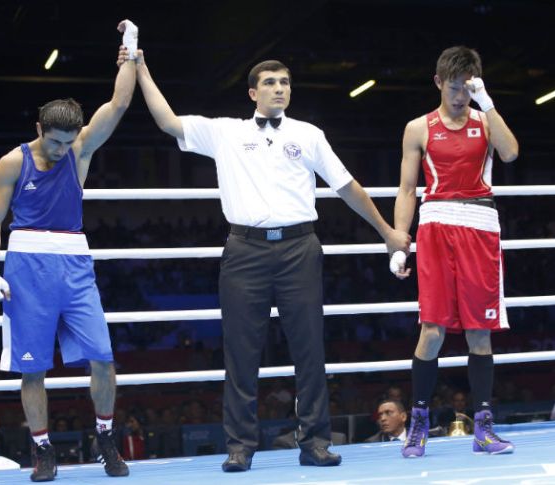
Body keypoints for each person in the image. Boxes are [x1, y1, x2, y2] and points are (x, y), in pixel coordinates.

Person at [126, 48, 410, 471]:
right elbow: (168, 121)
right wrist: (141, 68)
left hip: (299, 248)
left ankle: (314, 441)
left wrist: (387, 232)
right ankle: (240, 446)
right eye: (271, 83)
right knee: (241, 351)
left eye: (285, 82)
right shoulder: (226, 133)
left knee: (309, 348)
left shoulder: (309, 134)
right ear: (252, 93)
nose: (280, 89)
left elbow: (347, 186)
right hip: (245, 250)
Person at [0, 20, 139, 481]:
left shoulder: (79, 150)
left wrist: (129, 48)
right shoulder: (13, 162)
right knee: (33, 369)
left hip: (75, 263)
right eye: (55, 141)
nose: (62, 149)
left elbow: (120, 102)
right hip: (26, 265)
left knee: (104, 358)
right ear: (39, 129)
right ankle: (43, 449)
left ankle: (105, 437)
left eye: (68, 142)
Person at [390, 45, 519, 458]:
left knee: (480, 331)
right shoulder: (418, 127)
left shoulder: (485, 119)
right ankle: (419, 425)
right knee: (433, 329)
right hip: (435, 227)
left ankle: (483, 428)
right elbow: (408, 189)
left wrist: (489, 103)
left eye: (467, 87)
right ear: (439, 83)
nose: (460, 94)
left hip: (480, 227)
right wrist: (399, 241)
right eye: (453, 86)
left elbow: (511, 152)